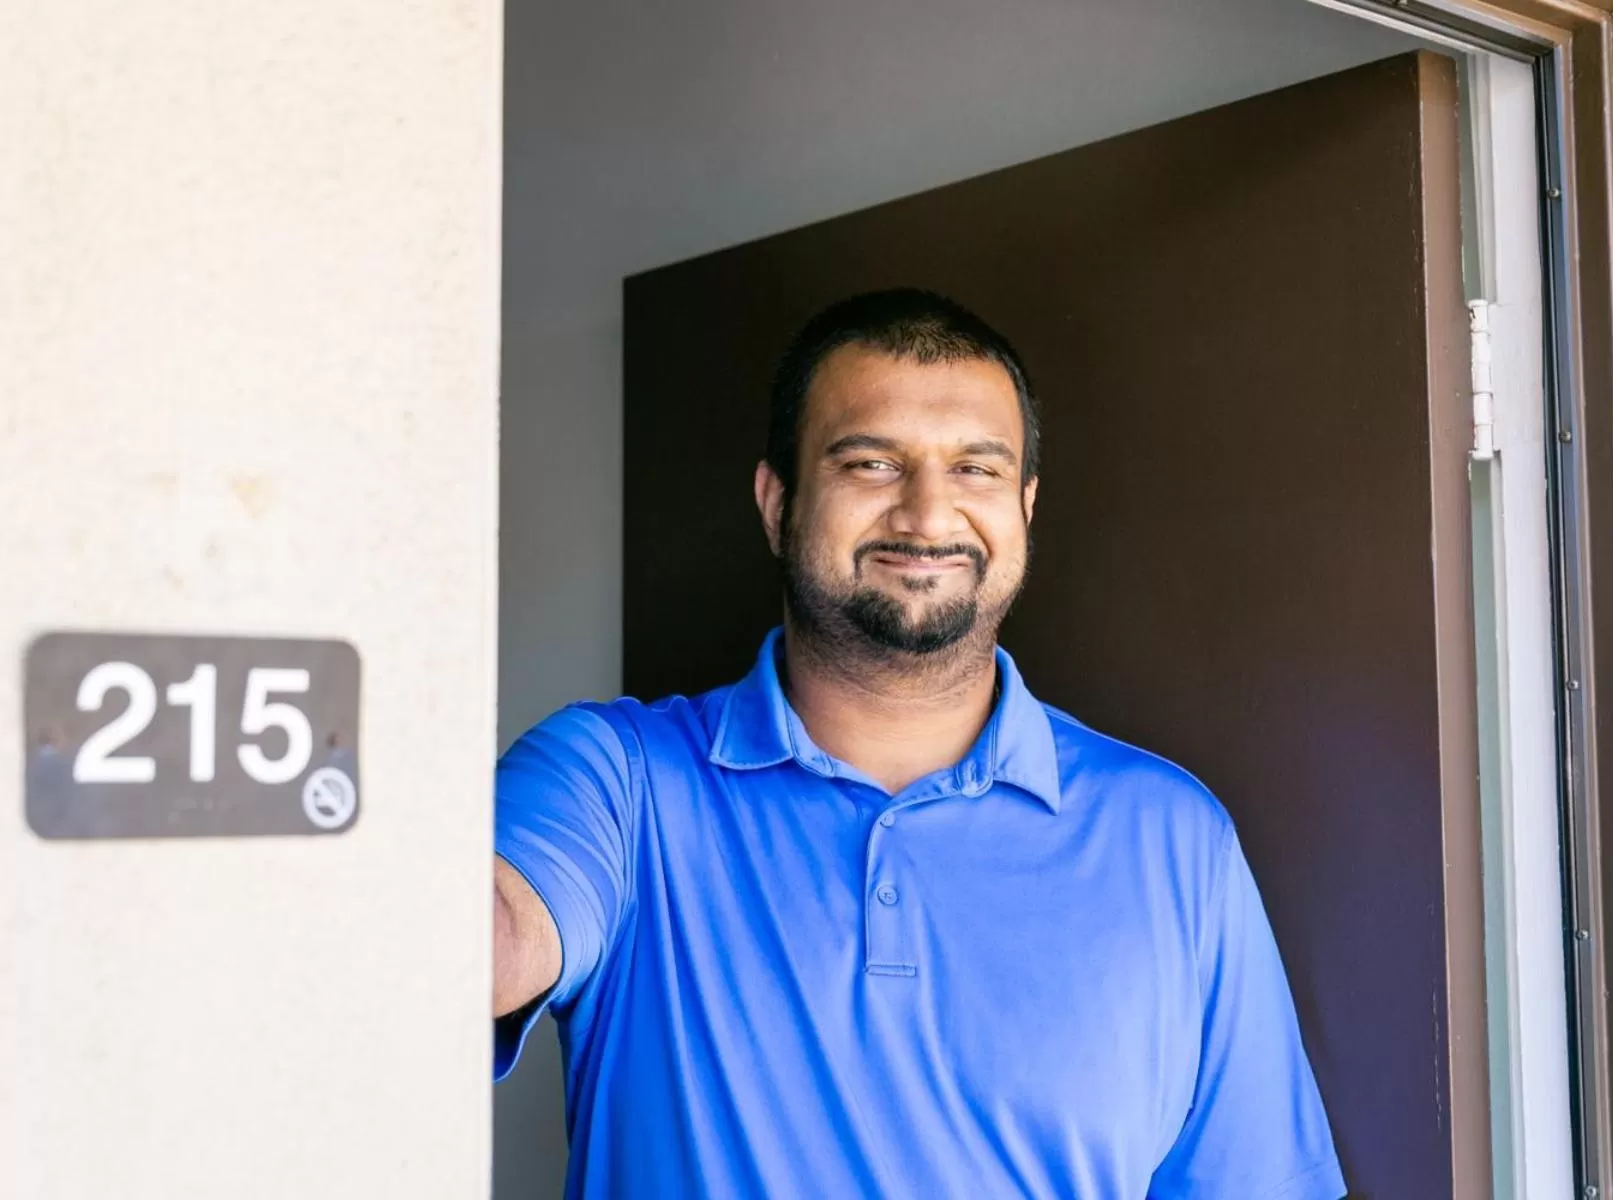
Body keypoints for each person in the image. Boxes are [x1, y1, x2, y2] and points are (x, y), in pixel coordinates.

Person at [492, 288, 1345, 1199]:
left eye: (976, 471)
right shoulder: (618, 784)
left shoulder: (1174, 837)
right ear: (777, 503)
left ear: (1025, 506)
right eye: (870, 464)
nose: (928, 515)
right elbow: (460, 952)